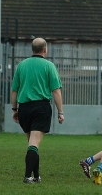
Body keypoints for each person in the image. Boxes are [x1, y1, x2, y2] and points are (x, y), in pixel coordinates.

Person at [11, 38, 64, 184]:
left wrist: (14, 109)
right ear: (45, 50)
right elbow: (56, 91)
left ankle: (36, 176)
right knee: (34, 143)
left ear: (32, 49)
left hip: (24, 108)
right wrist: (60, 112)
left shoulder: (22, 65)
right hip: (41, 107)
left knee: (32, 143)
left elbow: (14, 90)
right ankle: (27, 177)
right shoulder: (49, 66)